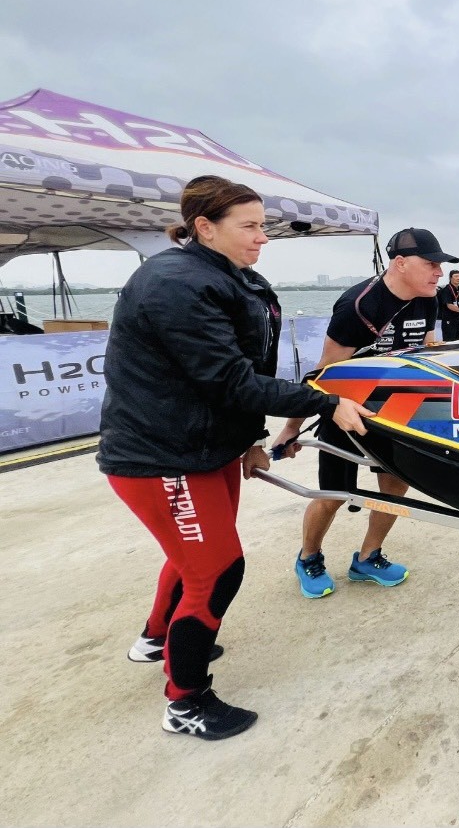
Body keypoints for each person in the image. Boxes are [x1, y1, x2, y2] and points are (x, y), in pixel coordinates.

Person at [99, 175, 373, 741]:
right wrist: (324, 402)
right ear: (204, 227)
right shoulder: (175, 284)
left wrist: (249, 440)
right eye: (248, 226)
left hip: (204, 445)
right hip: (161, 454)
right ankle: (185, 702)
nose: (261, 237)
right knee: (218, 569)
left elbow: (239, 371)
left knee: (192, 556)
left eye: (262, 225)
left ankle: (156, 638)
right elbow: (228, 378)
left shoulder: (228, 276)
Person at [271, 227, 459, 599]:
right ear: (401, 264)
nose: (439, 272)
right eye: (431, 264)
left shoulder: (428, 298)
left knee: (394, 489)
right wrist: (290, 430)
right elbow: (321, 374)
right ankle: (309, 557)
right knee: (334, 493)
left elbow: (425, 355)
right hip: (345, 409)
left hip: (395, 410)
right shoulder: (359, 306)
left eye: (441, 265)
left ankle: (368, 557)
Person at [437, 269, 459, 342]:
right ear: (450, 278)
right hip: (448, 320)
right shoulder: (446, 290)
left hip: (458, 319)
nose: (458, 278)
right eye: (456, 276)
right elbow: (449, 305)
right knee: (450, 341)